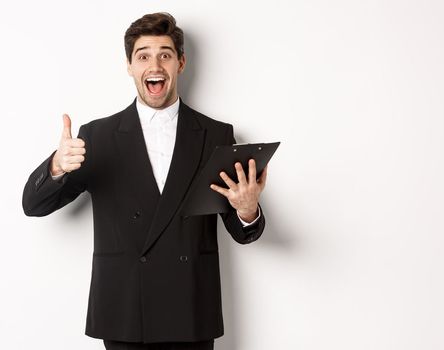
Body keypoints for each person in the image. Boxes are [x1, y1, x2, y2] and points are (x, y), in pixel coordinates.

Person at [21, 12, 267, 350]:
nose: (155, 64)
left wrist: (248, 209)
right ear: (129, 65)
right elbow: (32, 205)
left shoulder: (216, 135)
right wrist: (56, 167)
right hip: (124, 314)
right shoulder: (97, 136)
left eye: (165, 54)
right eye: (143, 55)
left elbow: (243, 231)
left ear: (180, 63)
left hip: (191, 311)